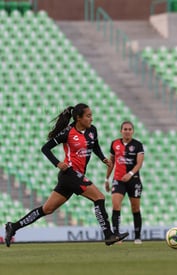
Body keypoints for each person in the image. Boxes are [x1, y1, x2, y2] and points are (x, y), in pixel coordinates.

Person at [4, 103, 129, 247]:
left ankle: (13, 227)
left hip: (74, 177)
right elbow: (45, 148)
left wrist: (102, 158)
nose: (91, 119)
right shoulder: (68, 132)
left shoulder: (92, 130)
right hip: (69, 174)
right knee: (99, 197)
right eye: (88, 116)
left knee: (47, 209)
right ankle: (109, 235)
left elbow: (95, 145)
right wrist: (57, 163)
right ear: (78, 118)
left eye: (91, 116)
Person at [104, 121, 145, 244]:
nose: (127, 131)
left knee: (135, 208)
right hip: (118, 180)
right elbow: (111, 162)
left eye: (129, 129)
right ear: (121, 131)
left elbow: (139, 163)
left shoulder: (138, 145)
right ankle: (116, 236)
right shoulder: (114, 144)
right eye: (125, 129)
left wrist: (130, 174)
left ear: (132, 131)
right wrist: (107, 179)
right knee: (116, 205)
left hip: (134, 180)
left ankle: (137, 236)